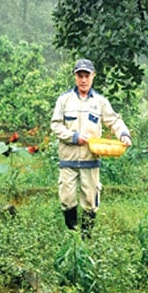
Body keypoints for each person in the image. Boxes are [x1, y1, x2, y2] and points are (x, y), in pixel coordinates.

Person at [50, 58, 132, 238]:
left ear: (93, 76)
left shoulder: (100, 102)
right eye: (80, 75)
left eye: (87, 75)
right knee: (67, 198)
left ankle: (86, 238)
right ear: (75, 77)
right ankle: (72, 235)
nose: (83, 80)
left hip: (90, 160)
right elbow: (55, 126)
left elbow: (114, 120)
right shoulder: (64, 100)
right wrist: (73, 137)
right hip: (68, 160)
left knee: (90, 200)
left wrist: (124, 134)